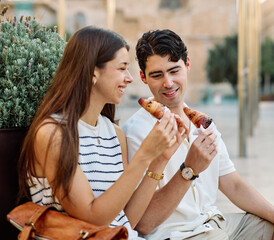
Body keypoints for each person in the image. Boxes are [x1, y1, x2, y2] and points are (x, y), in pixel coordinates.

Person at [17, 26, 186, 240]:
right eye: (122, 68)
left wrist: (158, 159)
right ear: (93, 72)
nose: (129, 78)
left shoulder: (115, 134)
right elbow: (92, 219)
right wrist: (144, 155)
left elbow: (127, 221)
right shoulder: (53, 134)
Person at [122, 29, 274, 239]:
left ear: (188, 65)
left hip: (215, 223)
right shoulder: (136, 133)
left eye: (174, 71)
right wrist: (189, 169)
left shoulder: (203, 123)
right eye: (157, 75)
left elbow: (234, 185)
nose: (168, 82)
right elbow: (143, 223)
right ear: (143, 77)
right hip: (175, 234)